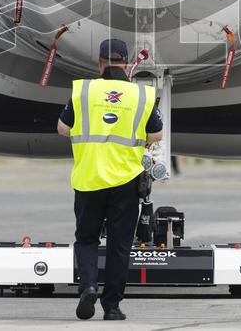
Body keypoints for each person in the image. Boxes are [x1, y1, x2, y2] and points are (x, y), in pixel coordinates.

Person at [57, 38, 163, 321]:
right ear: (127, 63)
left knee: (87, 238)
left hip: (89, 178)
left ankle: (88, 285)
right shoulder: (141, 95)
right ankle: (112, 307)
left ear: (100, 62)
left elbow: (62, 128)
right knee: (119, 245)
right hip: (125, 181)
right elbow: (156, 135)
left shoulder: (83, 91)